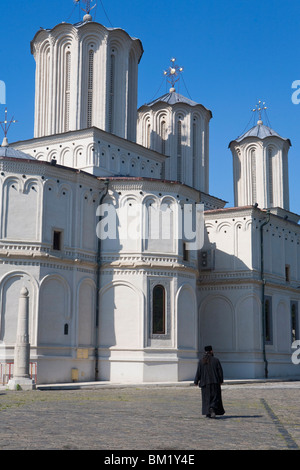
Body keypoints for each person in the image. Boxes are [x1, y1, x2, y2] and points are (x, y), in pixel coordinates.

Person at [194, 345, 225, 418]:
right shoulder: (216, 360)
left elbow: (199, 372)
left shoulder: (201, 361)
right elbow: (220, 372)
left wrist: (196, 381)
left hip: (205, 383)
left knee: (206, 398)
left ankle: (207, 412)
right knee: (215, 397)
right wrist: (221, 380)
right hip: (215, 382)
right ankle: (212, 408)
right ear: (211, 351)